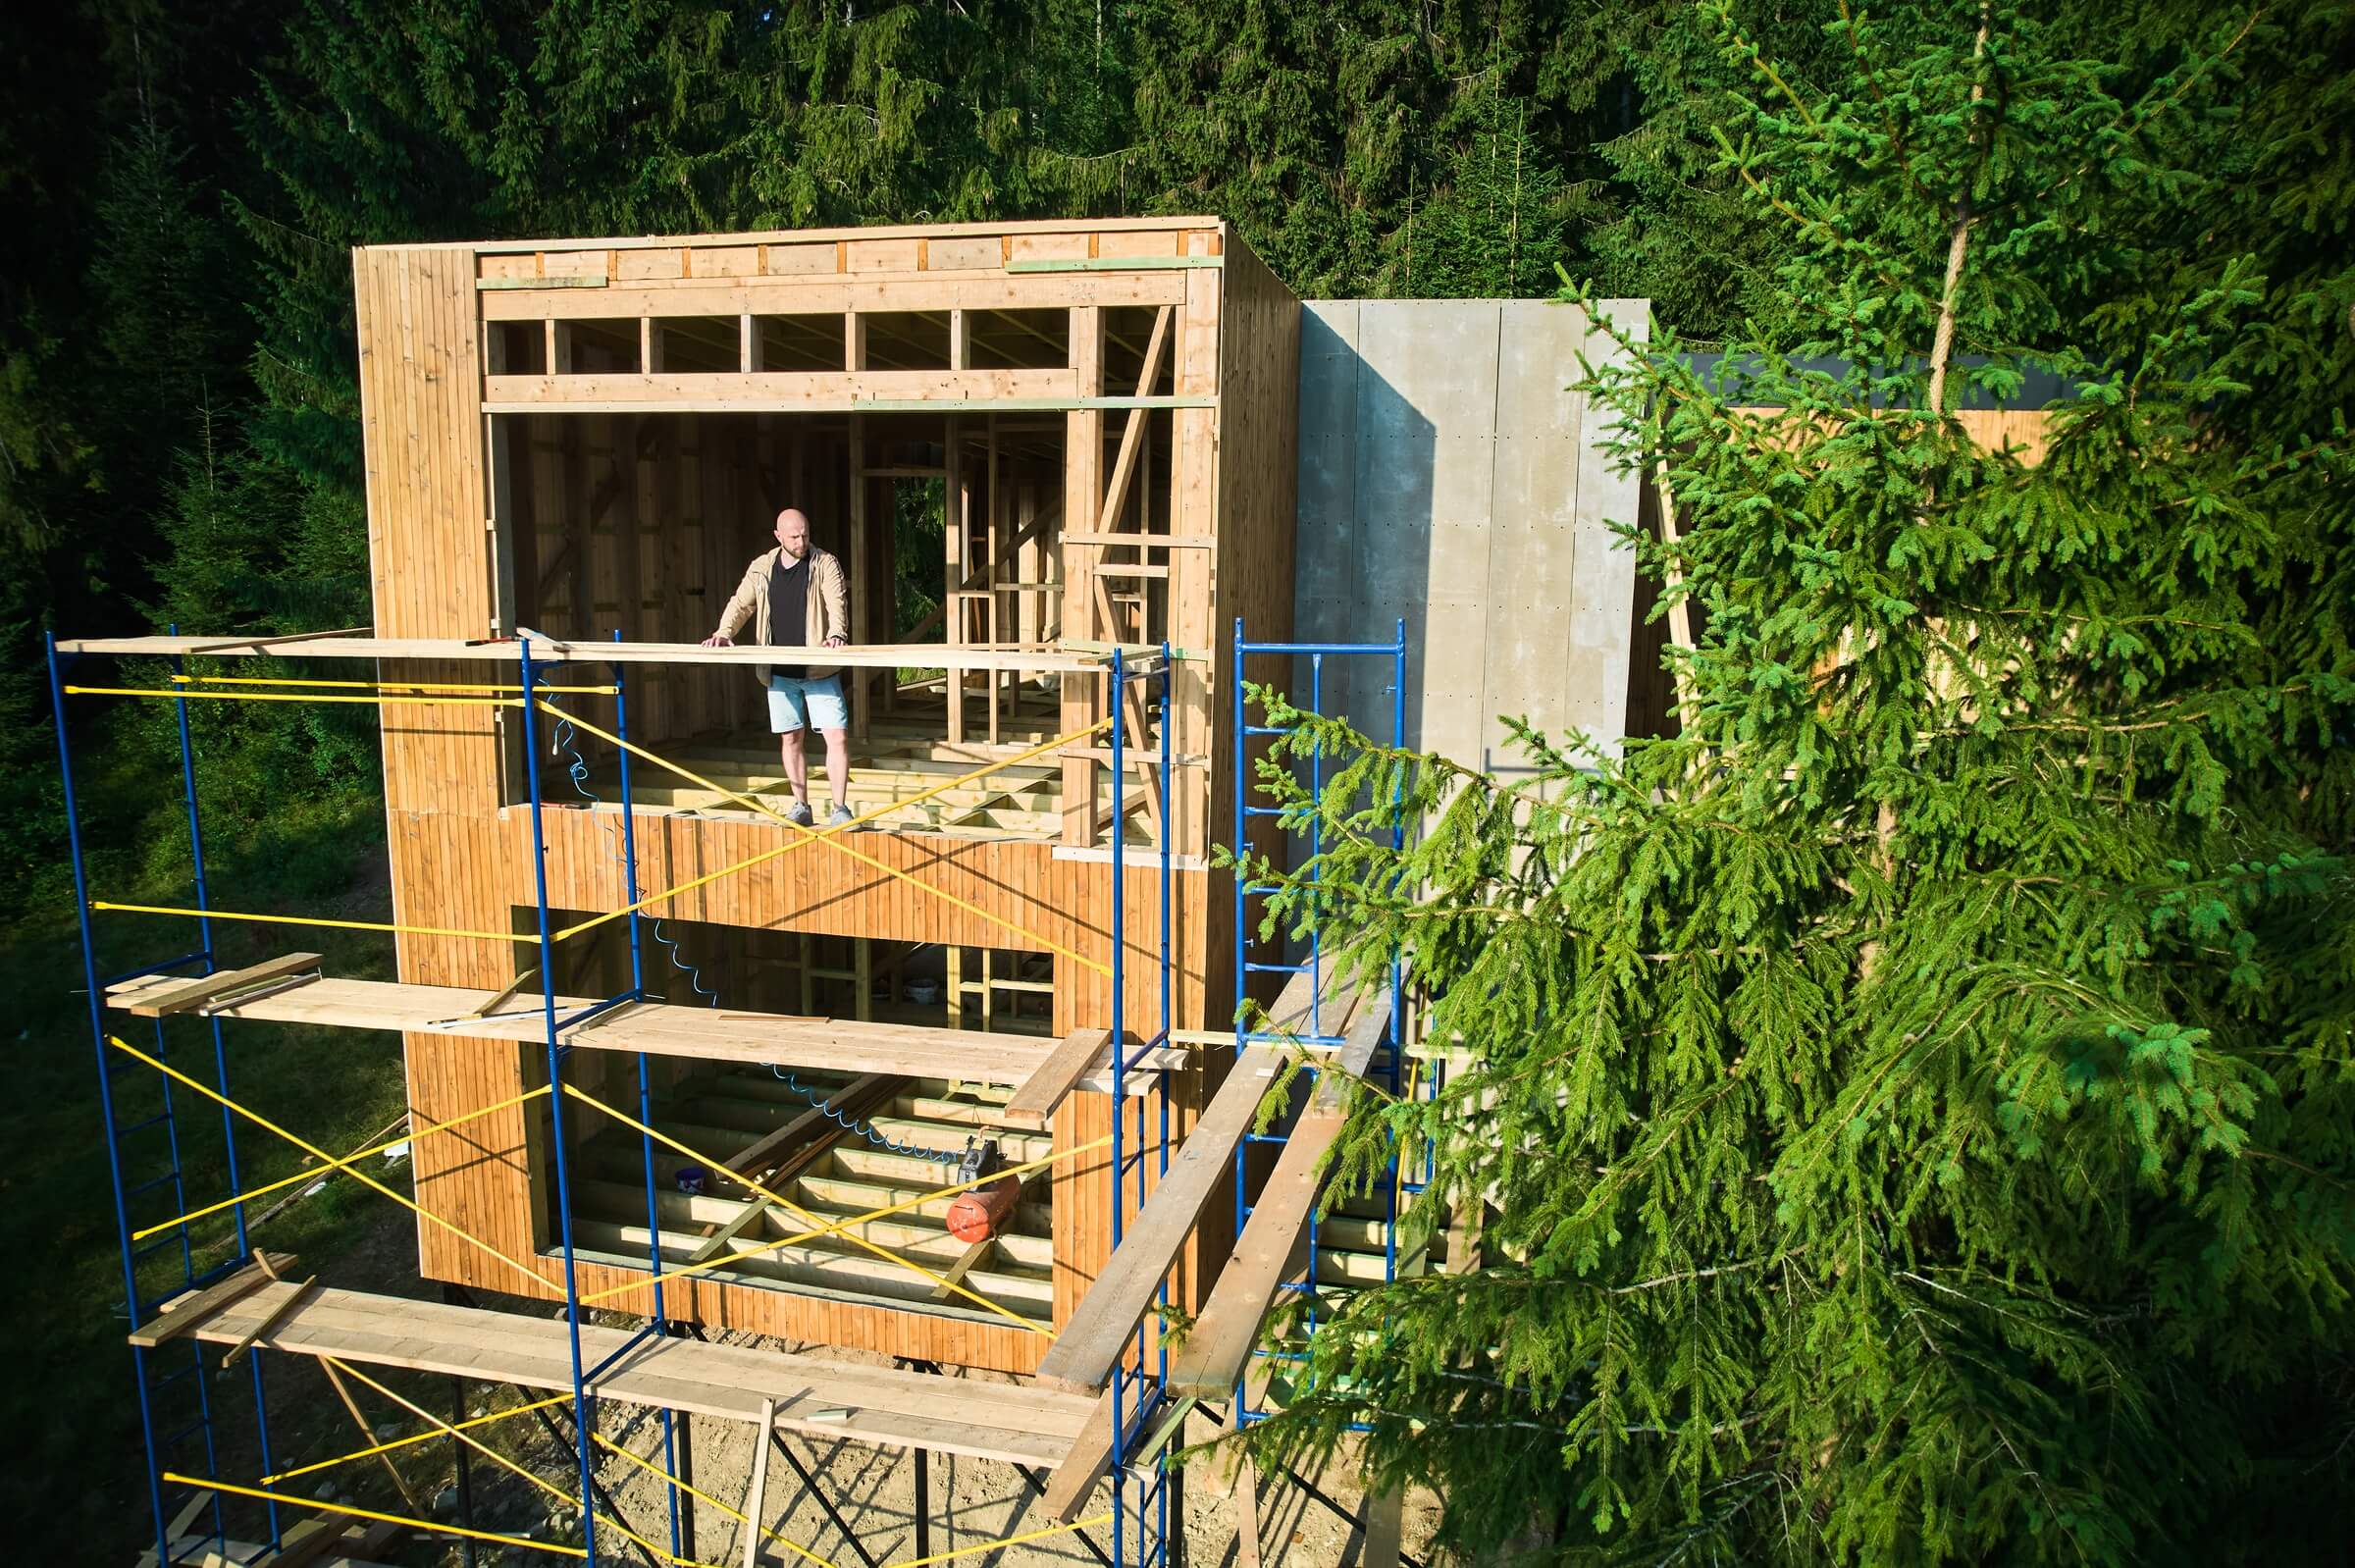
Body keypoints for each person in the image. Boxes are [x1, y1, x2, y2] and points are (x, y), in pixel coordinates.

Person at [703, 507, 854, 827]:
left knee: (837, 737)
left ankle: (840, 808)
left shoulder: (824, 563)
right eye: (795, 537)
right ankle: (801, 804)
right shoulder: (762, 567)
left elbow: (836, 601)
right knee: (790, 739)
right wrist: (723, 633)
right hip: (780, 673)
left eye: (805, 535)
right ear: (778, 536)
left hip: (819, 670)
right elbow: (741, 603)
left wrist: (836, 633)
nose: (801, 542)